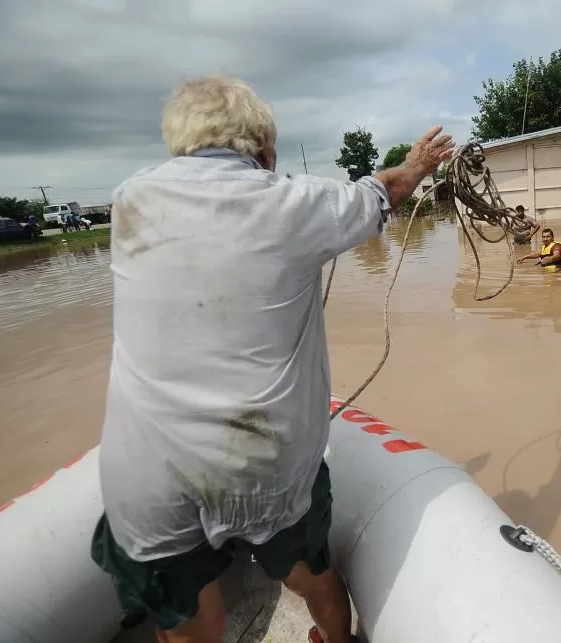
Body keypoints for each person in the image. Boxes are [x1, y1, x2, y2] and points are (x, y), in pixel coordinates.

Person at [89, 75, 454, 643]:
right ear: (264, 149)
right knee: (315, 580)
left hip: (149, 476)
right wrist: (417, 164)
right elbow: (384, 191)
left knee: (187, 628)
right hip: (268, 467)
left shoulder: (129, 199)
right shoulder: (296, 203)